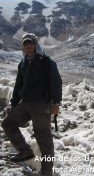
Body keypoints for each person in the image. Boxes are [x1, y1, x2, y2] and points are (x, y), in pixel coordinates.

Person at [1, 33, 62, 176]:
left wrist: (56, 102)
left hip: (42, 104)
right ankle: (25, 151)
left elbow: (56, 82)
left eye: (31, 43)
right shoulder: (22, 64)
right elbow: (18, 86)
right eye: (26, 44)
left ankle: (46, 172)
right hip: (26, 103)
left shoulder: (46, 61)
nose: (28, 46)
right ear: (23, 47)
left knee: (44, 139)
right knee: (8, 124)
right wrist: (14, 103)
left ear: (35, 45)